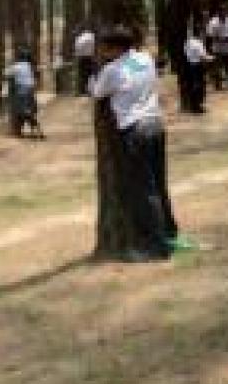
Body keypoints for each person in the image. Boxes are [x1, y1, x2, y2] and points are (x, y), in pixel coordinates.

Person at [90, 25, 179, 260]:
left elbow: (97, 93)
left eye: (105, 48)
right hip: (155, 124)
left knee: (143, 190)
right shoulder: (145, 59)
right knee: (159, 184)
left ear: (115, 48)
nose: (102, 52)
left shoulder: (112, 70)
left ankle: (155, 247)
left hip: (134, 129)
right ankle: (169, 232)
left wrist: (93, 77)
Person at [3, 47, 44, 138]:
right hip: (30, 91)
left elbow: (6, 73)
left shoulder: (17, 66)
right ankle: (36, 130)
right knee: (28, 111)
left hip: (21, 91)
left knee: (21, 111)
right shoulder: (30, 66)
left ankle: (19, 131)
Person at [183, 21, 212, 114]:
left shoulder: (188, 42)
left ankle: (192, 105)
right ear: (199, 32)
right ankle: (197, 107)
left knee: (191, 85)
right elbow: (203, 56)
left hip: (189, 65)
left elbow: (185, 53)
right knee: (199, 86)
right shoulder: (198, 44)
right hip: (197, 66)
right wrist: (211, 58)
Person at [211, 7, 228, 90]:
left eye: (225, 12)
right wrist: (223, 39)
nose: (223, 14)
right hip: (218, 49)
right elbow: (212, 36)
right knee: (218, 68)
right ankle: (218, 85)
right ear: (218, 13)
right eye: (221, 12)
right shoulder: (214, 23)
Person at [74, 27, 96, 95]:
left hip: (81, 58)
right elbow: (95, 47)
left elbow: (77, 47)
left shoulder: (80, 38)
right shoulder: (93, 37)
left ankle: (81, 90)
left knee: (82, 74)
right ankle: (89, 90)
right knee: (90, 74)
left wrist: (78, 55)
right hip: (91, 57)